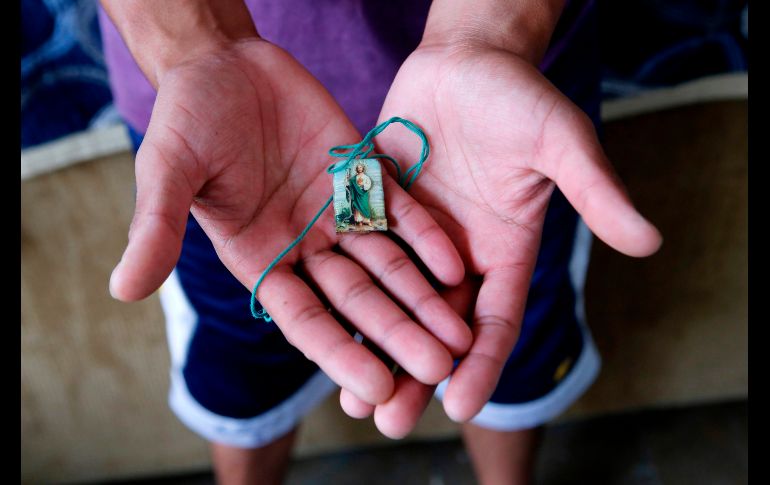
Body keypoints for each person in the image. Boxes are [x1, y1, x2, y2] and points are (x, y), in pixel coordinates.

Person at [98, 1, 662, 483]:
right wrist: (198, 50)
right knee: (241, 348)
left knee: (505, 335)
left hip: (500, 100)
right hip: (227, 136)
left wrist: (489, 35)